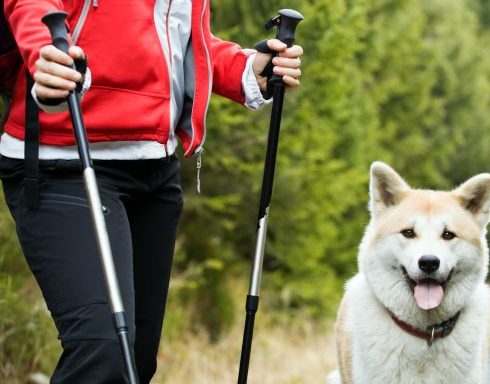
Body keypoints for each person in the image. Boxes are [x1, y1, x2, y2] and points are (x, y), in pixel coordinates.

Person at [0, 1, 303, 383]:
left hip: (154, 171)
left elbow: (179, 43)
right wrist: (46, 54)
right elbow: (34, 7)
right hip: (64, 160)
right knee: (105, 351)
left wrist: (247, 69)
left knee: (136, 363)